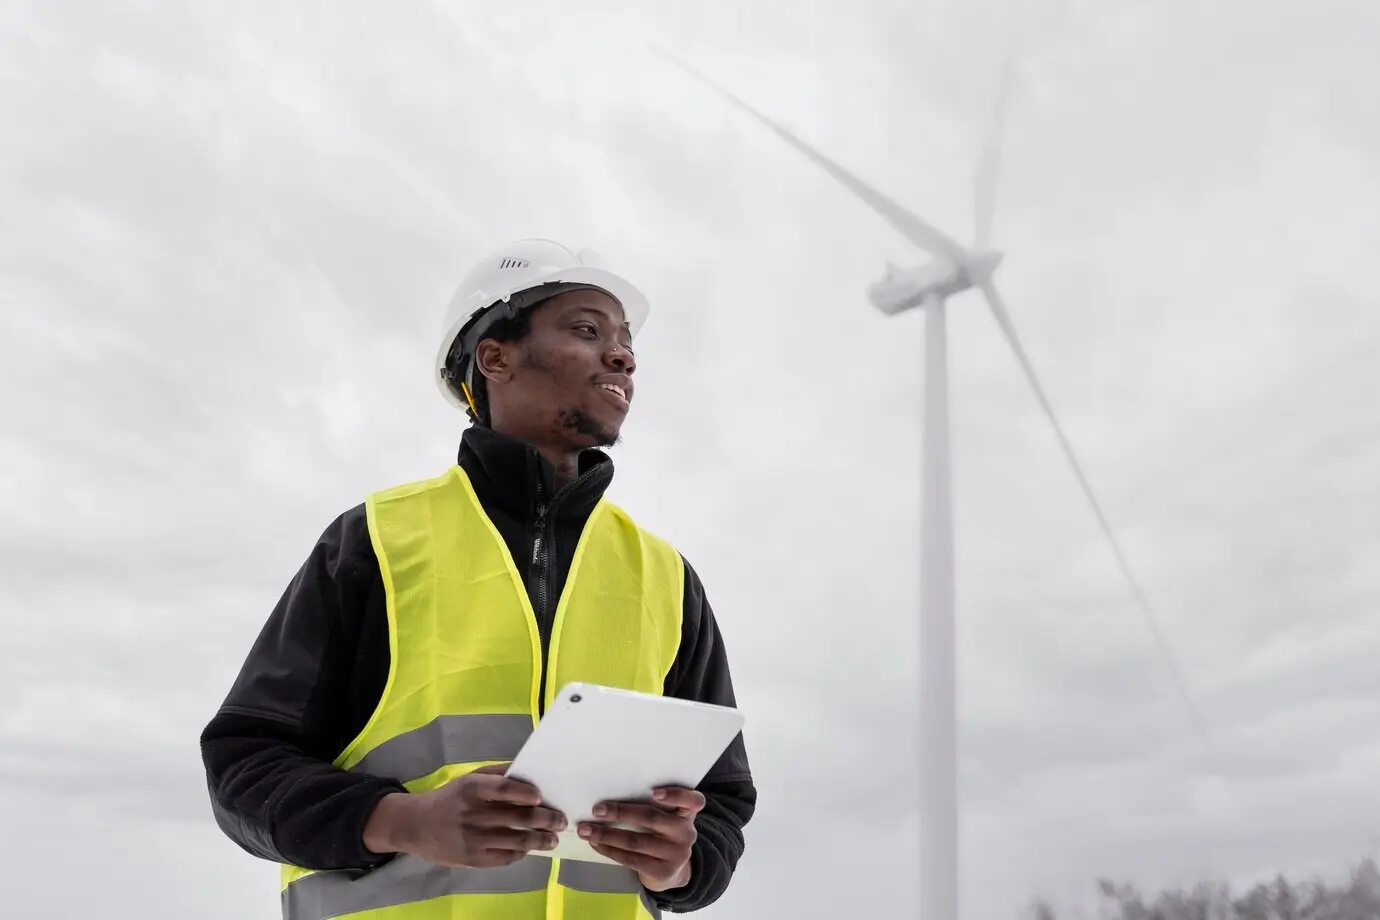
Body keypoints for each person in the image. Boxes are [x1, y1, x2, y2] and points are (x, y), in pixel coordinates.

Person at [200, 239, 755, 919]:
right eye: (588, 330)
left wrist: (683, 862)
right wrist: (401, 820)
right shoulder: (376, 541)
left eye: (626, 342)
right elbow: (243, 765)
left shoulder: (665, 576)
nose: (623, 356)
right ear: (495, 358)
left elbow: (722, 804)